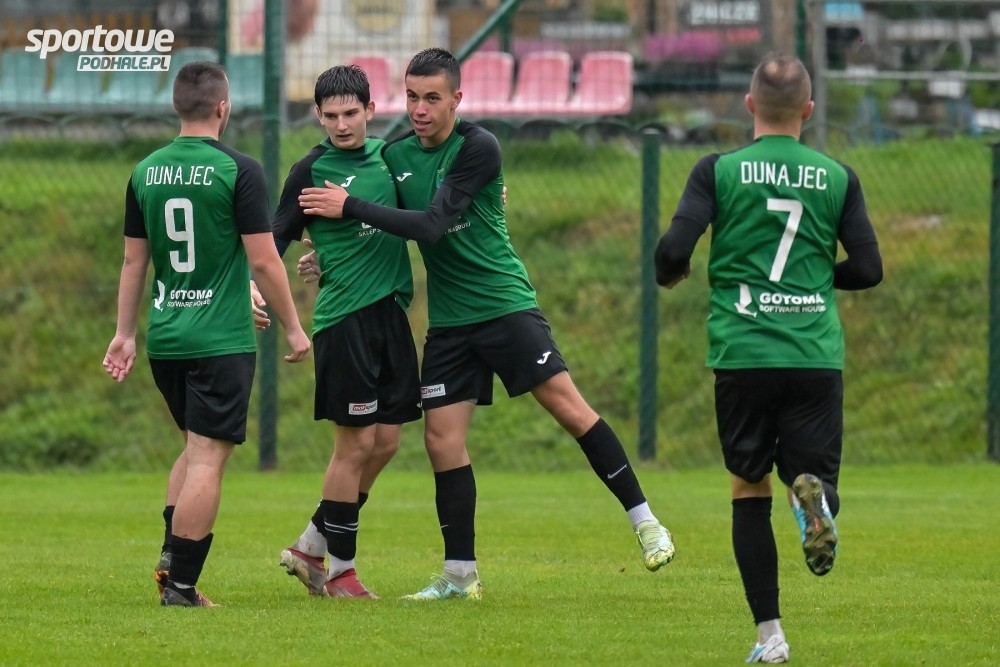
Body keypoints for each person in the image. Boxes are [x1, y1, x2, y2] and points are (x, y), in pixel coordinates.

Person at [297, 47, 675, 601]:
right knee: (441, 440)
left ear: (457, 99)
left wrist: (348, 207)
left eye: (432, 98)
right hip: (450, 325)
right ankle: (459, 575)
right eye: (412, 97)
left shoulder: (478, 146)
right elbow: (380, 215)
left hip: (503, 306)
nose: (420, 109)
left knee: (569, 409)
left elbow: (429, 225)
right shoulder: (395, 155)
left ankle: (646, 521)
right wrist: (328, 255)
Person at [653, 53, 882, 662]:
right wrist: (815, 279)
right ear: (808, 110)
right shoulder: (838, 176)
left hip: (744, 351)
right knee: (814, 479)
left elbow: (673, 249)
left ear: (750, 104)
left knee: (747, 487)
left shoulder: (717, 170)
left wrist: (672, 274)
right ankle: (816, 502)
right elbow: (868, 268)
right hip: (813, 354)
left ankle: (770, 636)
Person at [103, 61, 311, 607]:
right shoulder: (238, 169)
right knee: (207, 459)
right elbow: (263, 259)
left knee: (194, 449)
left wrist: (124, 333)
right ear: (224, 107)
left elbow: (133, 262)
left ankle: (171, 557)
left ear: (177, 106)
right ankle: (181, 587)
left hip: (166, 337)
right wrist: (294, 327)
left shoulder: (145, 171)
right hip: (220, 340)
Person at [272, 65, 421, 599]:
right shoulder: (309, 169)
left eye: (350, 113)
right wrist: (254, 288)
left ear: (370, 110)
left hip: (391, 314)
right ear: (317, 115)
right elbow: (274, 238)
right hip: (343, 321)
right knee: (354, 445)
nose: (341, 124)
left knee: (386, 442)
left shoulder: (392, 158)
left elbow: (420, 215)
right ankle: (341, 572)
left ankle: (311, 544)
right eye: (330, 115)